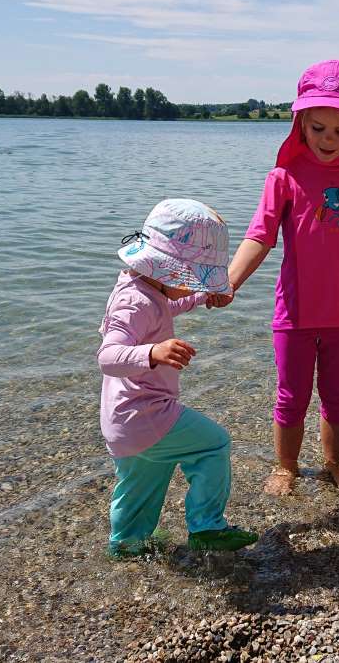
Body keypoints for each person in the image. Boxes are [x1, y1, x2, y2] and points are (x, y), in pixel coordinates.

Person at [222, 59, 339, 495]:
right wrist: (230, 282)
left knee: (338, 397)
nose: (328, 141)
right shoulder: (283, 177)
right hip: (293, 314)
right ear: (300, 123)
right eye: (318, 129)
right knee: (291, 397)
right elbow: (259, 236)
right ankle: (286, 466)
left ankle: (333, 463)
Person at [97, 198, 259, 558]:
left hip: (122, 421)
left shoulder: (140, 288)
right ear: (169, 270)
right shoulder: (136, 303)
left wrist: (201, 296)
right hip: (147, 412)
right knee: (213, 445)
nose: (189, 285)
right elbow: (108, 357)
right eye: (191, 279)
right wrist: (152, 354)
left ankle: (127, 546)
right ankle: (207, 527)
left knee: (142, 484)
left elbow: (165, 306)